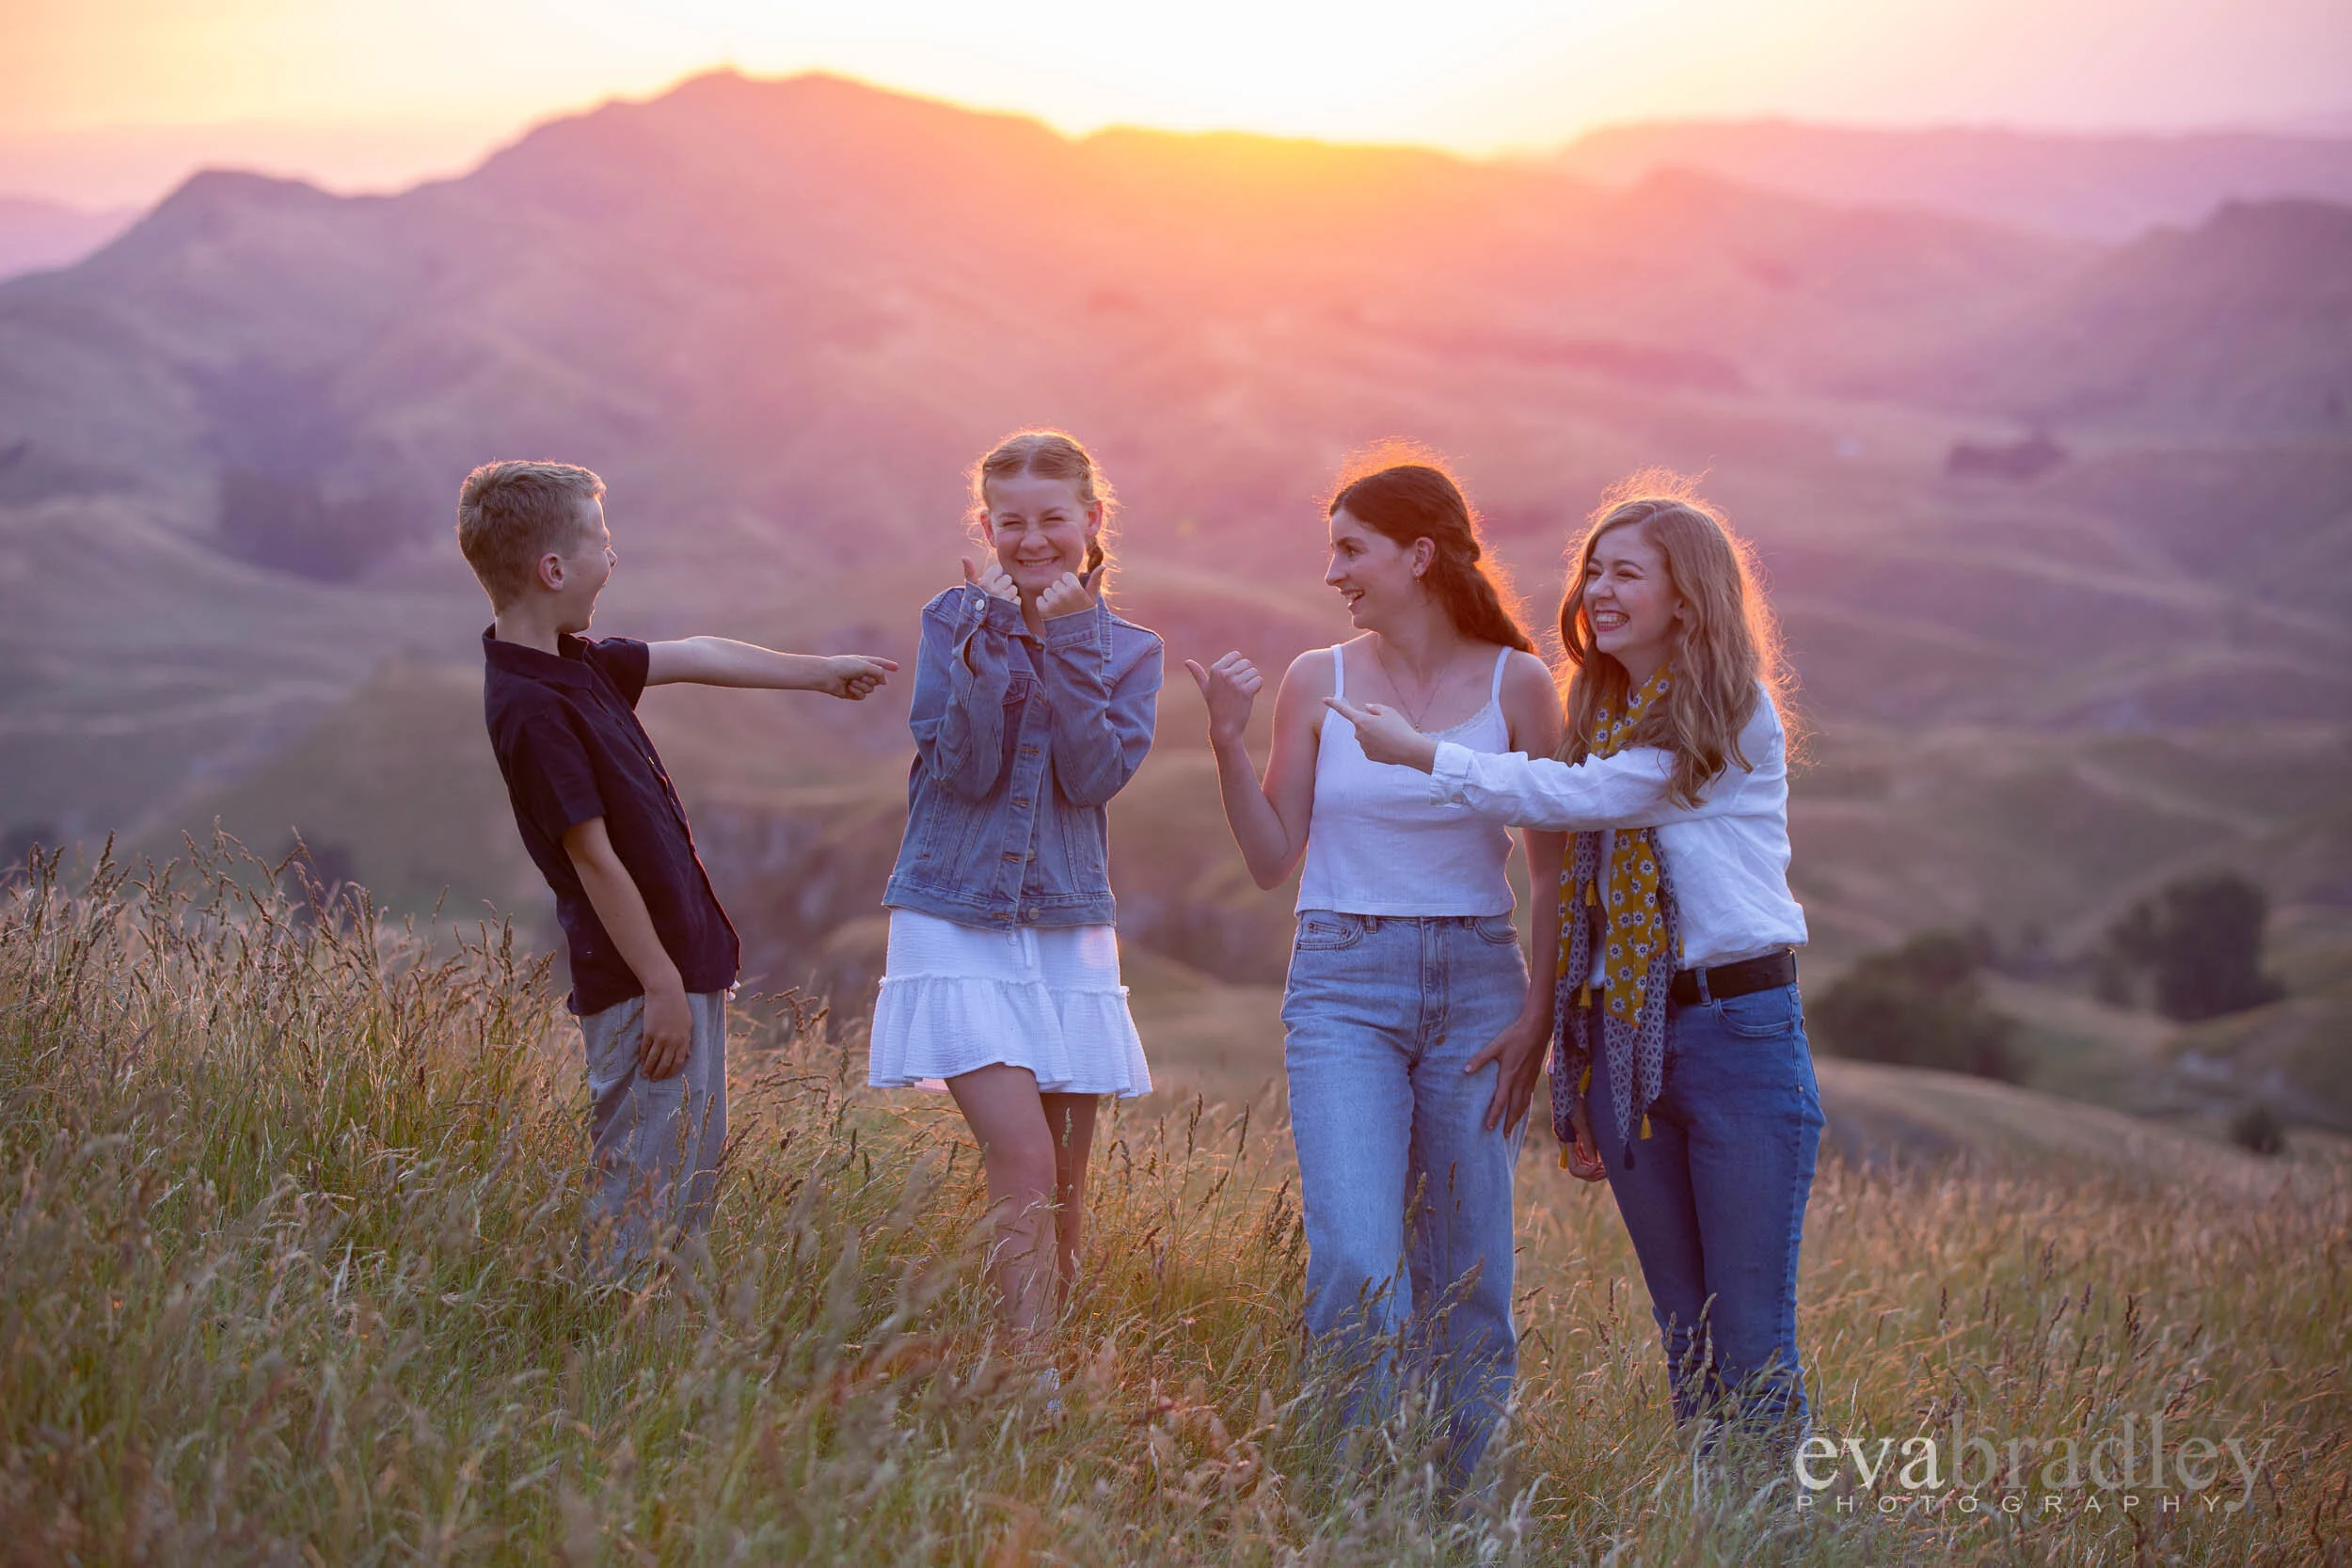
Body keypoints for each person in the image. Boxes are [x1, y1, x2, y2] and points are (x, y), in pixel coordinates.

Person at [1331, 475, 1819, 1445]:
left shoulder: (1727, 711)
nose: (1598, 588)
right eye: (1592, 569)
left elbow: (1587, 797)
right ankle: (1717, 1528)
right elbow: (1576, 831)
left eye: (1626, 572)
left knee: (1753, 1338)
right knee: (1687, 1332)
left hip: (1737, 1037)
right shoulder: (1598, 710)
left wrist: (1426, 753)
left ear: (1688, 595)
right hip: (1633, 1041)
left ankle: (1781, 1530)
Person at [1187, 457, 1564, 1486]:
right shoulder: (1318, 678)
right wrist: (1224, 740)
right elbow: (1272, 860)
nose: (1333, 572)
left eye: (1350, 548)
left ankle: (1470, 1515)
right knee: (1358, 1260)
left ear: (1419, 554)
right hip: (1343, 984)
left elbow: (1553, 863)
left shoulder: (1517, 683)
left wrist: (1542, 1011)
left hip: (1481, 983)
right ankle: (1353, 1505)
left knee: (1470, 1277)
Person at [459, 459, 897, 1283]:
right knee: (643, 1185)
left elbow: (698, 652)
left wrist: (818, 670)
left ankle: (645, 1347)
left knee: (684, 1180)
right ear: (553, 569)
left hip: (676, 969)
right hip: (640, 982)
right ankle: (603, 1340)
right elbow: (592, 858)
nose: (612, 558)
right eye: (601, 541)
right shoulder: (530, 705)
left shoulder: (574, 661)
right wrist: (659, 982)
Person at [869, 431, 1163, 1340]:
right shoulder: (950, 619)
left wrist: (1071, 643)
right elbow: (961, 766)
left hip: (1066, 927)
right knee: (1024, 1156)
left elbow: (1092, 775)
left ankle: (1048, 1368)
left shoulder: (1131, 648)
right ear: (986, 527)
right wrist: (990, 641)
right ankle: (1026, 1384)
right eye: (1010, 523)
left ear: (1091, 519)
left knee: (1066, 1182)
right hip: (955, 913)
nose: (1032, 541)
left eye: (1051, 519)